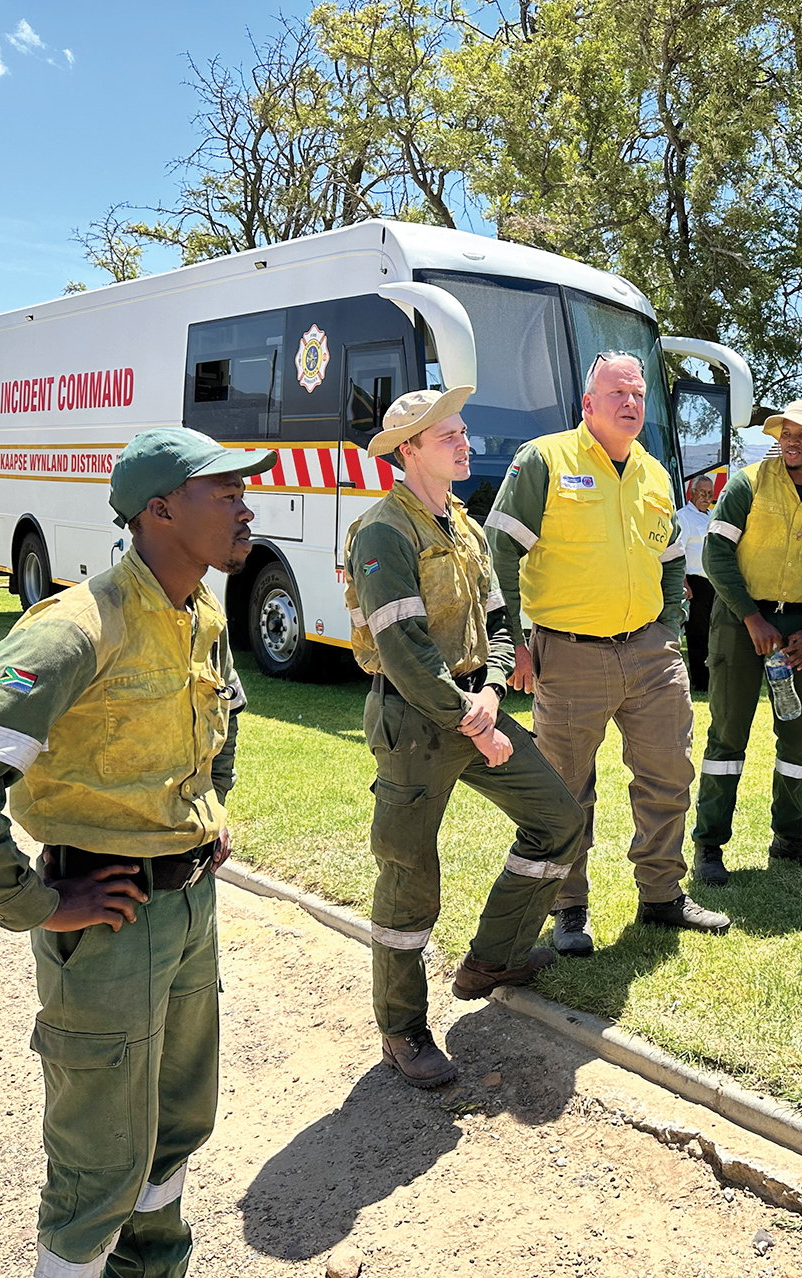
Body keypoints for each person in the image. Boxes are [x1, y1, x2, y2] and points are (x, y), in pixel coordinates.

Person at [0, 426, 275, 1278]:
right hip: (108, 921)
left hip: (188, 907)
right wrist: (37, 904)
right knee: (98, 1163)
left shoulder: (203, 613)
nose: (245, 507)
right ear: (159, 511)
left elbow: (226, 716)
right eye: (224, 494)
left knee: (178, 1125)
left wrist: (206, 805)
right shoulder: (77, 627)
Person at [343, 387, 585, 1086]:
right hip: (415, 725)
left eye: (460, 429)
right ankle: (402, 1030)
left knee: (558, 822)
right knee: (409, 878)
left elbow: (501, 625)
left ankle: (495, 956)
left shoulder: (466, 526)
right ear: (409, 450)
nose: (463, 440)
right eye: (446, 434)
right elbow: (403, 651)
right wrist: (473, 721)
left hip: (471, 707)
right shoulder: (385, 530)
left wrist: (488, 691)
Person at [486, 351, 730, 957]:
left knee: (668, 776)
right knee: (567, 788)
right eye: (617, 393)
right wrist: (513, 640)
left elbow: (672, 557)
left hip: (651, 653)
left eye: (639, 395)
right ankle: (569, 908)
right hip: (569, 656)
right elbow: (498, 550)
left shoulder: (653, 471)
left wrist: (669, 625)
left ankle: (662, 895)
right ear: (588, 404)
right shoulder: (543, 459)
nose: (630, 403)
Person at [691, 399, 802, 885]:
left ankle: (790, 838)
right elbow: (716, 554)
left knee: (799, 739)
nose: (792, 439)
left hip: (801, 629)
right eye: (787, 430)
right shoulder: (747, 484)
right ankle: (709, 845)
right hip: (740, 623)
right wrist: (750, 618)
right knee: (727, 735)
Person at [678, 474, 717, 691]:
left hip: (712, 584)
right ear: (691, 493)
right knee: (697, 634)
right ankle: (700, 682)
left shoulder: (711, 516)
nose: (706, 497)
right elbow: (678, 552)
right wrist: (684, 583)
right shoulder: (683, 517)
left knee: (713, 634)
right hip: (695, 583)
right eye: (702, 493)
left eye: (710, 494)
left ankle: (712, 678)